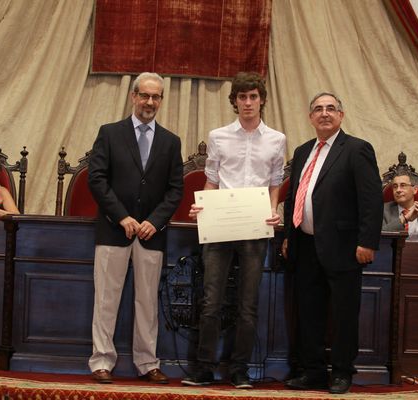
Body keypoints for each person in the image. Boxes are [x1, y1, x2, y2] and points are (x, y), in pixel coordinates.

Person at [181, 72, 286, 389]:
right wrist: (202, 207)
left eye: (253, 96)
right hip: (221, 224)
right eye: (242, 97)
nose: (248, 102)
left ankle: (240, 370)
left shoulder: (277, 139)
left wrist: (273, 210)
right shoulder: (219, 136)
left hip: (255, 226)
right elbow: (211, 180)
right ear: (235, 101)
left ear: (262, 100)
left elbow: (275, 183)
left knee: (248, 304)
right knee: (211, 300)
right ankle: (204, 368)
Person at [281, 92, 383, 394]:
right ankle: (312, 372)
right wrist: (288, 236)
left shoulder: (357, 149)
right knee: (309, 312)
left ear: (341, 115)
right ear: (310, 117)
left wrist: (367, 241)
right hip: (305, 245)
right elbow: (294, 197)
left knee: (342, 314)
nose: (324, 113)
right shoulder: (302, 151)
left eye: (330, 108)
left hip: (344, 246)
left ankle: (341, 372)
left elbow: (371, 199)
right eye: (318, 109)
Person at [87, 72, 183, 385]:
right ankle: (102, 361)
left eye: (156, 97)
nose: (149, 102)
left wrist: (154, 221)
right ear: (133, 96)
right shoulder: (110, 133)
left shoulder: (171, 141)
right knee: (106, 300)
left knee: (147, 303)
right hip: (113, 230)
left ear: (161, 100)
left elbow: (175, 190)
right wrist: (122, 217)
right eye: (144, 95)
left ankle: (147, 363)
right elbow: (96, 179)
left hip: (151, 236)